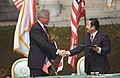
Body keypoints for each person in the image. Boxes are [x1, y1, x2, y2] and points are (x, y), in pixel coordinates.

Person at [28, 9, 64, 77]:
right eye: (47, 18)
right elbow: (43, 44)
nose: (49, 19)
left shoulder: (45, 28)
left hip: (45, 62)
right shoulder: (35, 29)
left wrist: (52, 55)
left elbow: (47, 44)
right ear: (41, 18)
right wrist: (57, 51)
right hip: (37, 63)